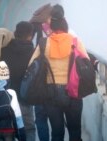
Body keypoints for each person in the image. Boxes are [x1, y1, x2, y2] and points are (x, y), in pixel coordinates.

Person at [28, 4, 90, 141]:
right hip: (73, 91)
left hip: (51, 94)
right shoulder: (75, 41)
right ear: (65, 25)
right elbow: (86, 60)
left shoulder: (44, 43)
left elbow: (32, 65)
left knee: (56, 132)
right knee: (75, 130)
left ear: (52, 27)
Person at [0, 21, 36, 141]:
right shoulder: (33, 53)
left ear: (15, 33)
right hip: (25, 98)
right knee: (28, 129)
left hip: (7, 98)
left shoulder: (4, 51)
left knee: (8, 131)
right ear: (30, 36)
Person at [29, 3, 53, 141]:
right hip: (50, 80)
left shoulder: (34, 25)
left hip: (38, 80)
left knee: (40, 117)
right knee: (53, 116)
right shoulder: (47, 30)